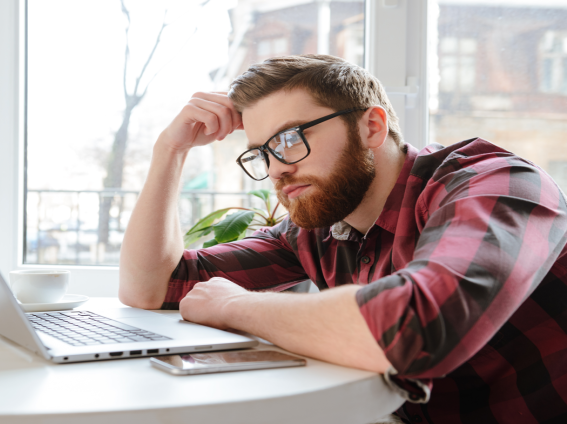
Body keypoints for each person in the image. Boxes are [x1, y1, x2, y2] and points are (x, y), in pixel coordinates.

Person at [118, 54, 567, 423]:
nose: (276, 169)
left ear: (371, 126)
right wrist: (169, 152)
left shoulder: (495, 184)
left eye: (290, 138)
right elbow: (154, 287)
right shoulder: (318, 227)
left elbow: (418, 327)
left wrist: (235, 306)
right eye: (262, 152)